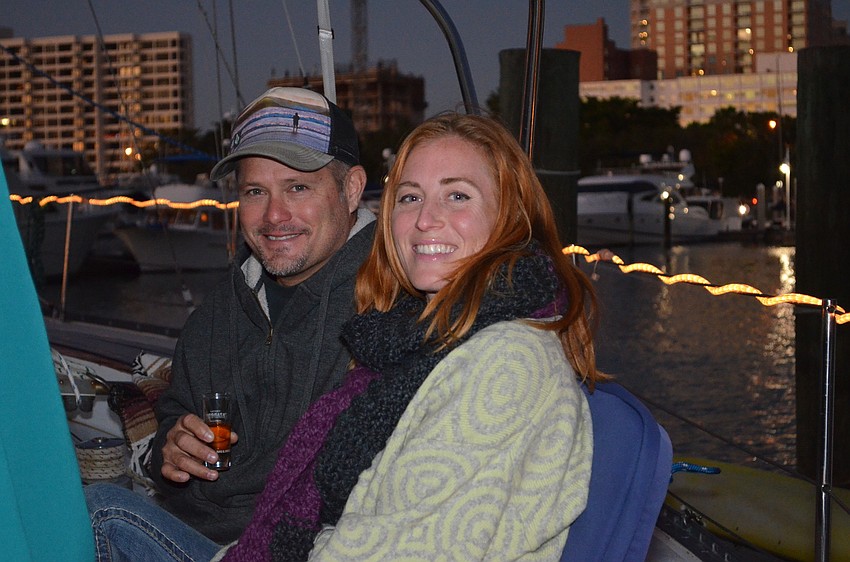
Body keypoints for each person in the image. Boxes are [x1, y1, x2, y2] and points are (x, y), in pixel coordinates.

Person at [87, 112, 602, 561]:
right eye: (411, 197)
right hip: (252, 544)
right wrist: (169, 447)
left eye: (458, 195)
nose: (426, 220)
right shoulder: (410, 337)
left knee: (97, 511)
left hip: (268, 545)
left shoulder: (494, 358)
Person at [86, 86, 376, 545]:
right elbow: (177, 409)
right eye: (255, 191)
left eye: (298, 187)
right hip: (190, 527)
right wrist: (173, 445)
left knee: (96, 511)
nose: (274, 215)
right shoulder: (226, 301)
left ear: (352, 188)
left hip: (282, 547)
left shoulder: (387, 299)